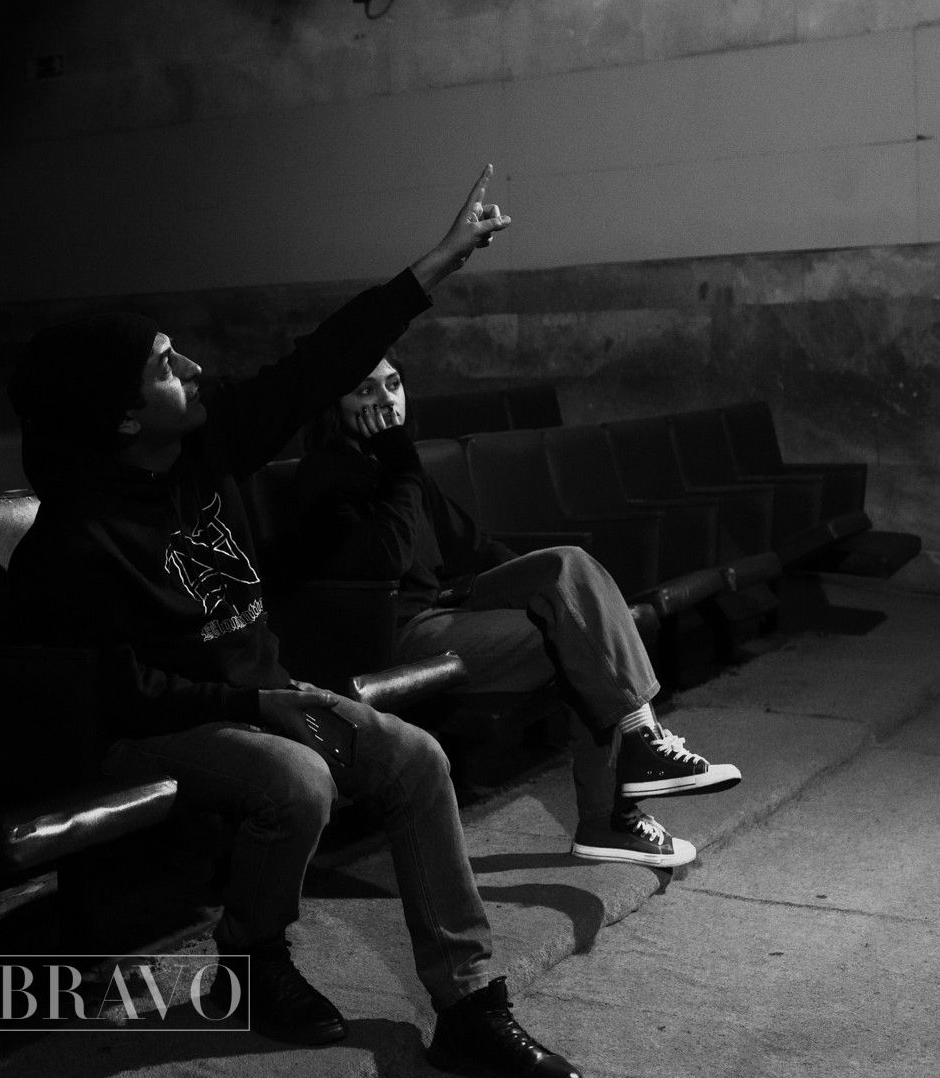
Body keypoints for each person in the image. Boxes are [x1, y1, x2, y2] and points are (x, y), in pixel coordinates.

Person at [5, 169, 589, 1078]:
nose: (196, 370)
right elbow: (117, 695)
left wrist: (436, 264)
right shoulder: (70, 543)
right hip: (159, 726)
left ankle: (471, 1006)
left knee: (416, 759)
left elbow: (319, 363)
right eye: (167, 366)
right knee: (297, 777)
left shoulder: (201, 451)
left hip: (260, 698)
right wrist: (257, 703)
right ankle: (254, 955)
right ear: (122, 415)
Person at [291, 356, 742, 870]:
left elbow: (475, 548)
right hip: (397, 633)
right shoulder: (326, 473)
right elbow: (385, 557)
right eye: (365, 391)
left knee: (569, 573)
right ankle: (611, 816)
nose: (386, 400)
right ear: (334, 405)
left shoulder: (399, 467)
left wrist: (543, 589)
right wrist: (401, 466)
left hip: (449, 606)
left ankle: (637, 749)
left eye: (393, 385)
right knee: (580, 634)